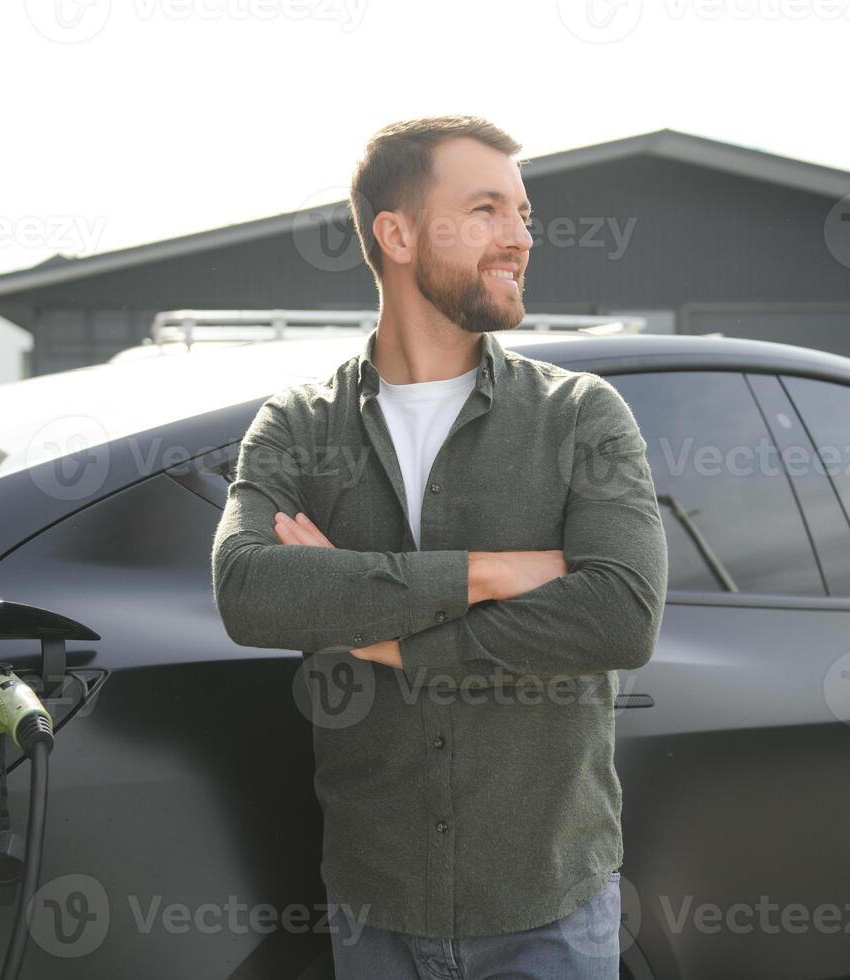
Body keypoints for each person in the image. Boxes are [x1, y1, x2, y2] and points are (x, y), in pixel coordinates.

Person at [211, 114, 668, 979]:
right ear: (398, 233)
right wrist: (489, 573)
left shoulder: (580, 415)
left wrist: (372, 626)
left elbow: (619, 614)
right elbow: (248, 593)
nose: (520, 238)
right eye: (489, 210)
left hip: (547, 915)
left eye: (523, 215)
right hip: (374, 908)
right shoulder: (298, 425)